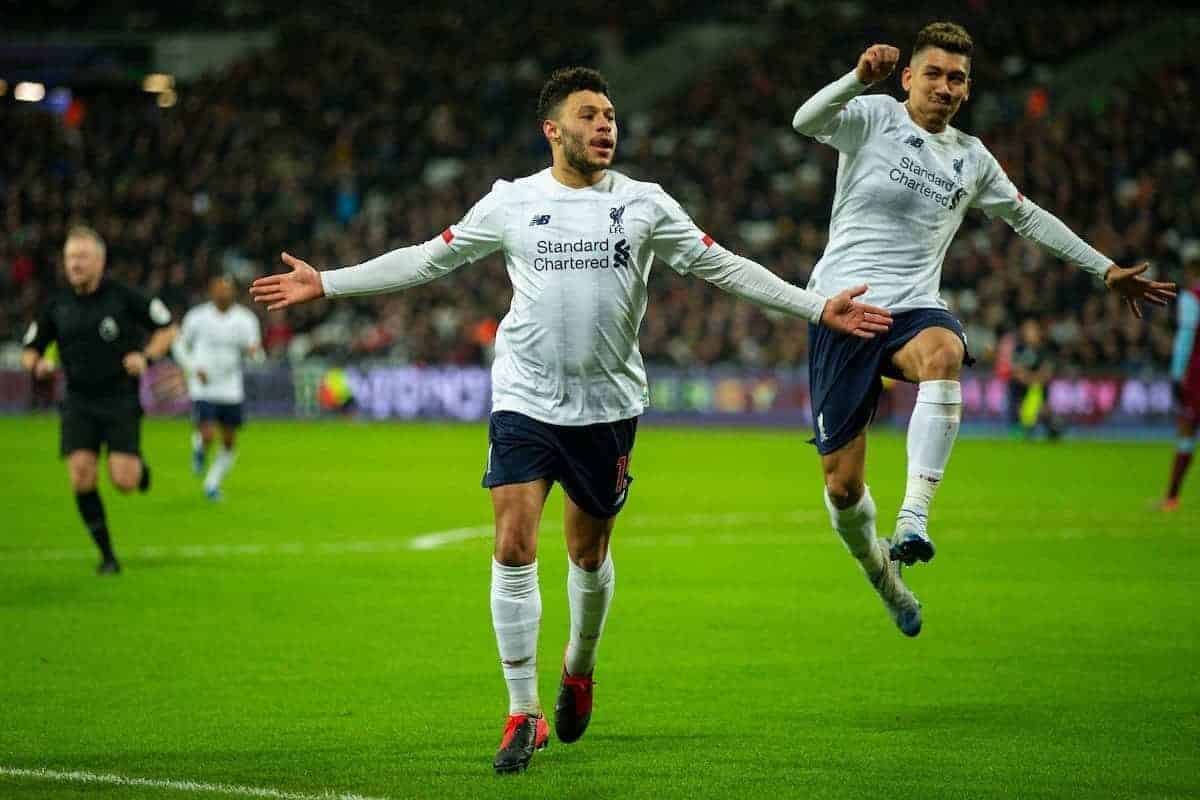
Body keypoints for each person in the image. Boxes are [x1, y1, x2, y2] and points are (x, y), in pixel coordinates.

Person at [251, 67, 894, 774]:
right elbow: (427, 261)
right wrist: (329, 281)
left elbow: (725, 269)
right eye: (590, 115)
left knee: (587, 556)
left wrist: (815, 305)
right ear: (552, 129)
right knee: (513, 544)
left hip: (608, 409)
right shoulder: (513, 202)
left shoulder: (645, 204)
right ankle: (521, 710)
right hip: (524, 398)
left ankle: (579, 665)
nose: (606, 126)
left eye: (612, 115)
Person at [790, 22, 1175, 635]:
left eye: (958, 79)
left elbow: (1031, 219)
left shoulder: (971, 159)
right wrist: (856, 79)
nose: (946, 87)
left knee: (945, 351)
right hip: (843, 307)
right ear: (909, 77)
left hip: (914, 308)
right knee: (842, 490)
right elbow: (805, 122)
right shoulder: (871, 116)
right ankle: (883, 576)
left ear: (968, 90)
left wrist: (1104, 269)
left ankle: (914, 516)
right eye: (935, 74)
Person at [20, 226, 178, 574]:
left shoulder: (123, 296)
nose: (74, 264)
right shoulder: (56, 305)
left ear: (100, 261)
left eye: (82, 257)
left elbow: (167, 328)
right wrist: (39, 364)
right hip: (77, 401)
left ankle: (138, 471)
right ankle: (107, 555)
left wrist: (146, 357)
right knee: (81, 476)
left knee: (123, 481)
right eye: (70, 257)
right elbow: (28, 351)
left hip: (119, 397)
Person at [172, 275, 263, 501]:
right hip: (204, 386)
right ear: (211, 291)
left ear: (233, 292)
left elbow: (257, 354)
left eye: (227, 290)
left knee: (229, 441)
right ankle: (200, 447)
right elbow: (179, 345)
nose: (223, 294)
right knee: (208, 433)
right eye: (219, 289)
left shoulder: (245, 320)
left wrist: (255, 355)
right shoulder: (197, 317)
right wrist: (193, 368)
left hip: (231, 388)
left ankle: (212, 483)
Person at [1162, 246, 1200, 510]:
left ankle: (1172, 497)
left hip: (1197, 373)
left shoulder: (1192, 297)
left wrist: (1176, 375)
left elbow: (1186, 337)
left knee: (1187, 429)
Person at [1009, 318, 1062, 440]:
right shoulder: (1019, 350)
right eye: (1027, 330)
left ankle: (1050, 428)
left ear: (1038, 332)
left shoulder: (1045, 351)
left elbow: (1047, 373)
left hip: (1040, 393)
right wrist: (1033, 377)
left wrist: (1031, 378)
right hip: (1021, 393)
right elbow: (1017, 373)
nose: (1029, 333)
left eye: (1032, 330)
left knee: (1050, 419)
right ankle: (1023, 427)